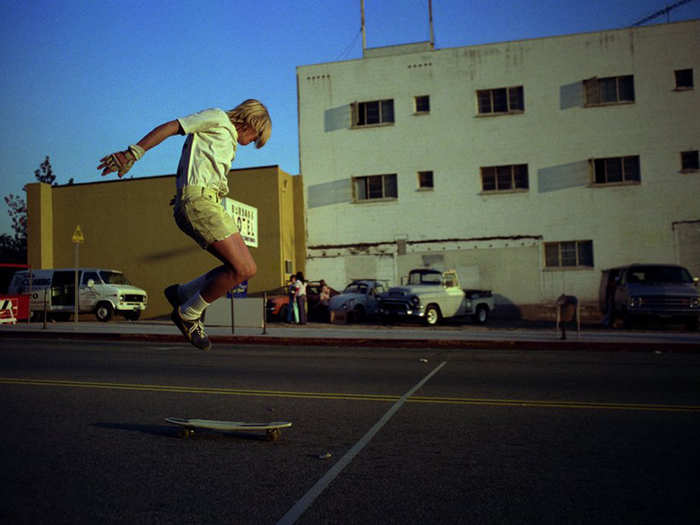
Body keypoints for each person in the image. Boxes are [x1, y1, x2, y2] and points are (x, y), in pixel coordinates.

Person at [98, 100, 271, 350]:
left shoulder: (227, 138)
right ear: (251, 123)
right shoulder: (217, 118)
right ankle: (188, 313)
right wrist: (133, 152)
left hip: (205, 202)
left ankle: (182, 293)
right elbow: (172, 126)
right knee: (243, 269)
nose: (252, 143)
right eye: (256, 137)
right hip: (199, 203)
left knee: (243, 268)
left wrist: (183, 193)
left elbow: (196, 165)